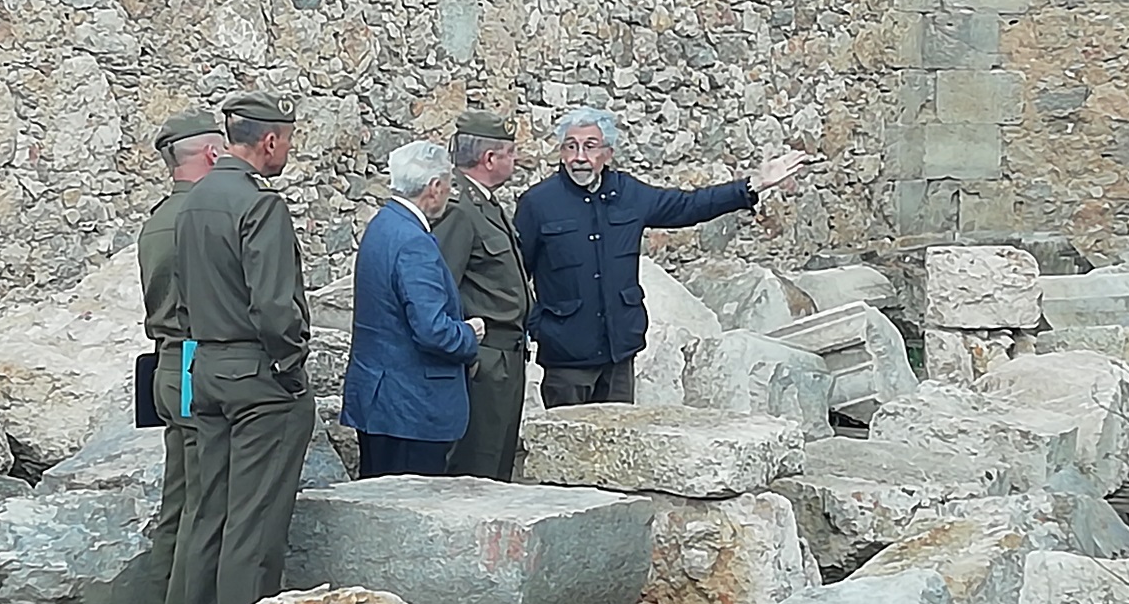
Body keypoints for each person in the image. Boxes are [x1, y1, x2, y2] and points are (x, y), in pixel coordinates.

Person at [171, 91, 314, 604]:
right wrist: (291, 364)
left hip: (206, 368)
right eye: (288, 140)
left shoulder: (192, 199)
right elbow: (276, 307)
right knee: (253, 529)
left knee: (209, 517)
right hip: (257, 374)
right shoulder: (259, 206)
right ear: (271, 141)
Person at [514, 107, 809, 407]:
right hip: (566, 358)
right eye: (570, 146)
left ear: (608, 153)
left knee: (621, 444)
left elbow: (688, 205)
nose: (579, 157)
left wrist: (752, 185)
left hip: (619, 355)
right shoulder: (538, 204)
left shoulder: (628, 193)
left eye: (590, 146)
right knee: (568, 446)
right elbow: (514, 275)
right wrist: (539, 326)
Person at [136, 110, 223, 604]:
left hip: (168, 362)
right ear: (212, 155)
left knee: (177, 504)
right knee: (202, 506)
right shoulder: (197, 216)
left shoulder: (158, 220)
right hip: (195, 359)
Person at [342, 140, 483, 477]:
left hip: (380, 400)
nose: (451, 193)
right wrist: (469, 334)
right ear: (434, 187)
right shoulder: (414, 242)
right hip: (413, 409)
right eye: (449, 184)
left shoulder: (382, 224)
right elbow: (433, 330)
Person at [432, 110, 533, 481]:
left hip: (507, 356)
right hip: (485, 359)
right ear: (490, 158)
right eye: (510, 152)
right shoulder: (460, 209)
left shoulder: (485, 203)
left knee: (498, 464)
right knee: (477, 469)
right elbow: (442, 286)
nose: (515, 160)